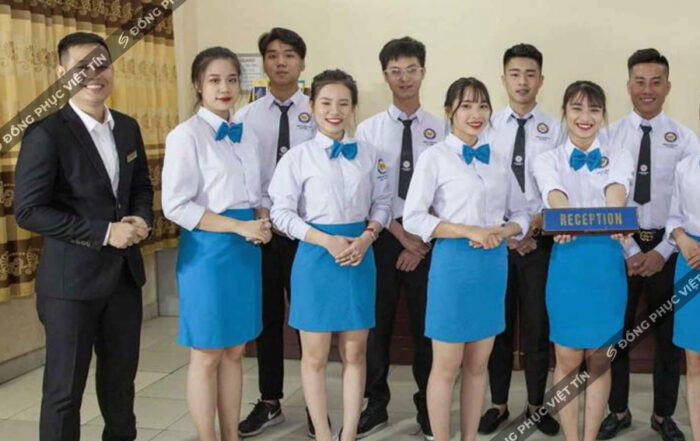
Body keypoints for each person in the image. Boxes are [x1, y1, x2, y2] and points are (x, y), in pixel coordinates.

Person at [14, 32, 153, 441]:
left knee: (121, 386)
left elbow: (140, 187)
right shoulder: (46, 134)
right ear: (62, 73)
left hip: (123, 280)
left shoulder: (126, 127)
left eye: (101, 65)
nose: (94, 75)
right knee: (64, 393)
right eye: (81, 67)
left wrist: (141, 218)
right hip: (69, 286)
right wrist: (105, 232)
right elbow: (29, 211)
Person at [403, 77, 530, 441]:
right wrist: (466, 230)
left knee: (477, 366)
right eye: (466, 106)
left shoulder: (498, 160)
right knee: (446, 367)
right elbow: (413, 218)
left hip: (492, 265)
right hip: (453, 265)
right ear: (449, 112)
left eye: (483, 105)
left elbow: (521, 213)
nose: (476, 114)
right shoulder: (434, 158)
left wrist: (502, 232)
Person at [268, 69, 392, 441]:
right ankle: (322, 433)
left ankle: (349, 432)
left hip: (359, 257)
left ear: (353, 108)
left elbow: (383, 203)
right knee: (315, 356)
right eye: (325, 103)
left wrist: (368, 237)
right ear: (311, 105)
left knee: (355, 353)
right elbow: (280, 213)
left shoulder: (370, 154)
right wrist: (325, 241)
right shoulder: (297, 158)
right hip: (315, 259)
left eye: (343, 103)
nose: (334, 111)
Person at [162, 47, 272, 441]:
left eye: (231, 80)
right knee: (207, 352)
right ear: (198, 85)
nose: (224, 88)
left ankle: (231, 434)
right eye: (214, 80)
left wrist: (262, 219)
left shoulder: (248, 134)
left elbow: (259, 191)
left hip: (245, 252)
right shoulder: (185, 136)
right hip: (207, 253)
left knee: (236, 350)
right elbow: (176, 205)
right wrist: (238, 227)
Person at [599, 48, 699, 441]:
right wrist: (630, 250)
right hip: (619, 244)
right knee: (616, 333)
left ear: (668, 87)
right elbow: (604, 197)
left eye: (656, 82)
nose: (647, 89)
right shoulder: (609, 135)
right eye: (640, 82)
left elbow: (688, 206)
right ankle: (618, 410)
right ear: (628, 85)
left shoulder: (685, 139)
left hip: (669, 247)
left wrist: (661, 251)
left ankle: (663, 414)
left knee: (669, 337)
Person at [354, 36, 446, 441]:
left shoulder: (443, 128)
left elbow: (448, 192)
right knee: (378, 325)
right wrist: (399, 234)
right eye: (395, 71)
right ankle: (376, 403)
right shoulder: (367, 130)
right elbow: (366, 191)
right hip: (382, 235)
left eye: (411, 69)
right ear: (385, 76)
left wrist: (419, 242)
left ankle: (428, 405)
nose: (404, 78)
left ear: (423, 72)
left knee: (428, 327)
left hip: (429, 241)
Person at [532, 80, 634, 441]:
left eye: (593, 109)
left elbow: (616, 189)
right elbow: (554, 193)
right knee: (567, 358)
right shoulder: (547, 158)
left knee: (600, 359)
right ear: (564, 113)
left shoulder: (620, 154)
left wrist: (616, 217)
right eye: (576, 108)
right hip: (568, 262)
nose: (585, 117)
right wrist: (564, 219)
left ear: (603, 115)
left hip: (606, 264)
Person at [233, 27, 317, 438]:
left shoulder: (318, 111)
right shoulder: (245, 116)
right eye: (272, 55)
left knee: (309, 320)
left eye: (289, 55)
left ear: (302, 62)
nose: (280, 62)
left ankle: (316, 405)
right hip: (264, 232)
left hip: (306, 234)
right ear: (263, 63)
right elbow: (241, 173)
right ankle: (270, 400)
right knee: (267, 318)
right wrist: (260, 213)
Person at [479, 43, 561, 436]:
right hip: (496, 241)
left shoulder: (557, 128)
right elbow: (478, 185)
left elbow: (562, 183)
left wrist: (533, 228)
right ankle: (498, 403)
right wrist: (508, 232)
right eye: (515, 74)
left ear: (541, 80)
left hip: (540, 242)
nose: (522, 81)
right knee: (497, 325)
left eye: (530, 74)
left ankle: (536, 404)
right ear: (504, 79)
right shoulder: (486, 125)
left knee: (536, 326)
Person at [666, 147, 700, 441]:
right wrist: (681, 237)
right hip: (691, 259)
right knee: (694, 360)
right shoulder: (685, 167)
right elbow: (674, 216)